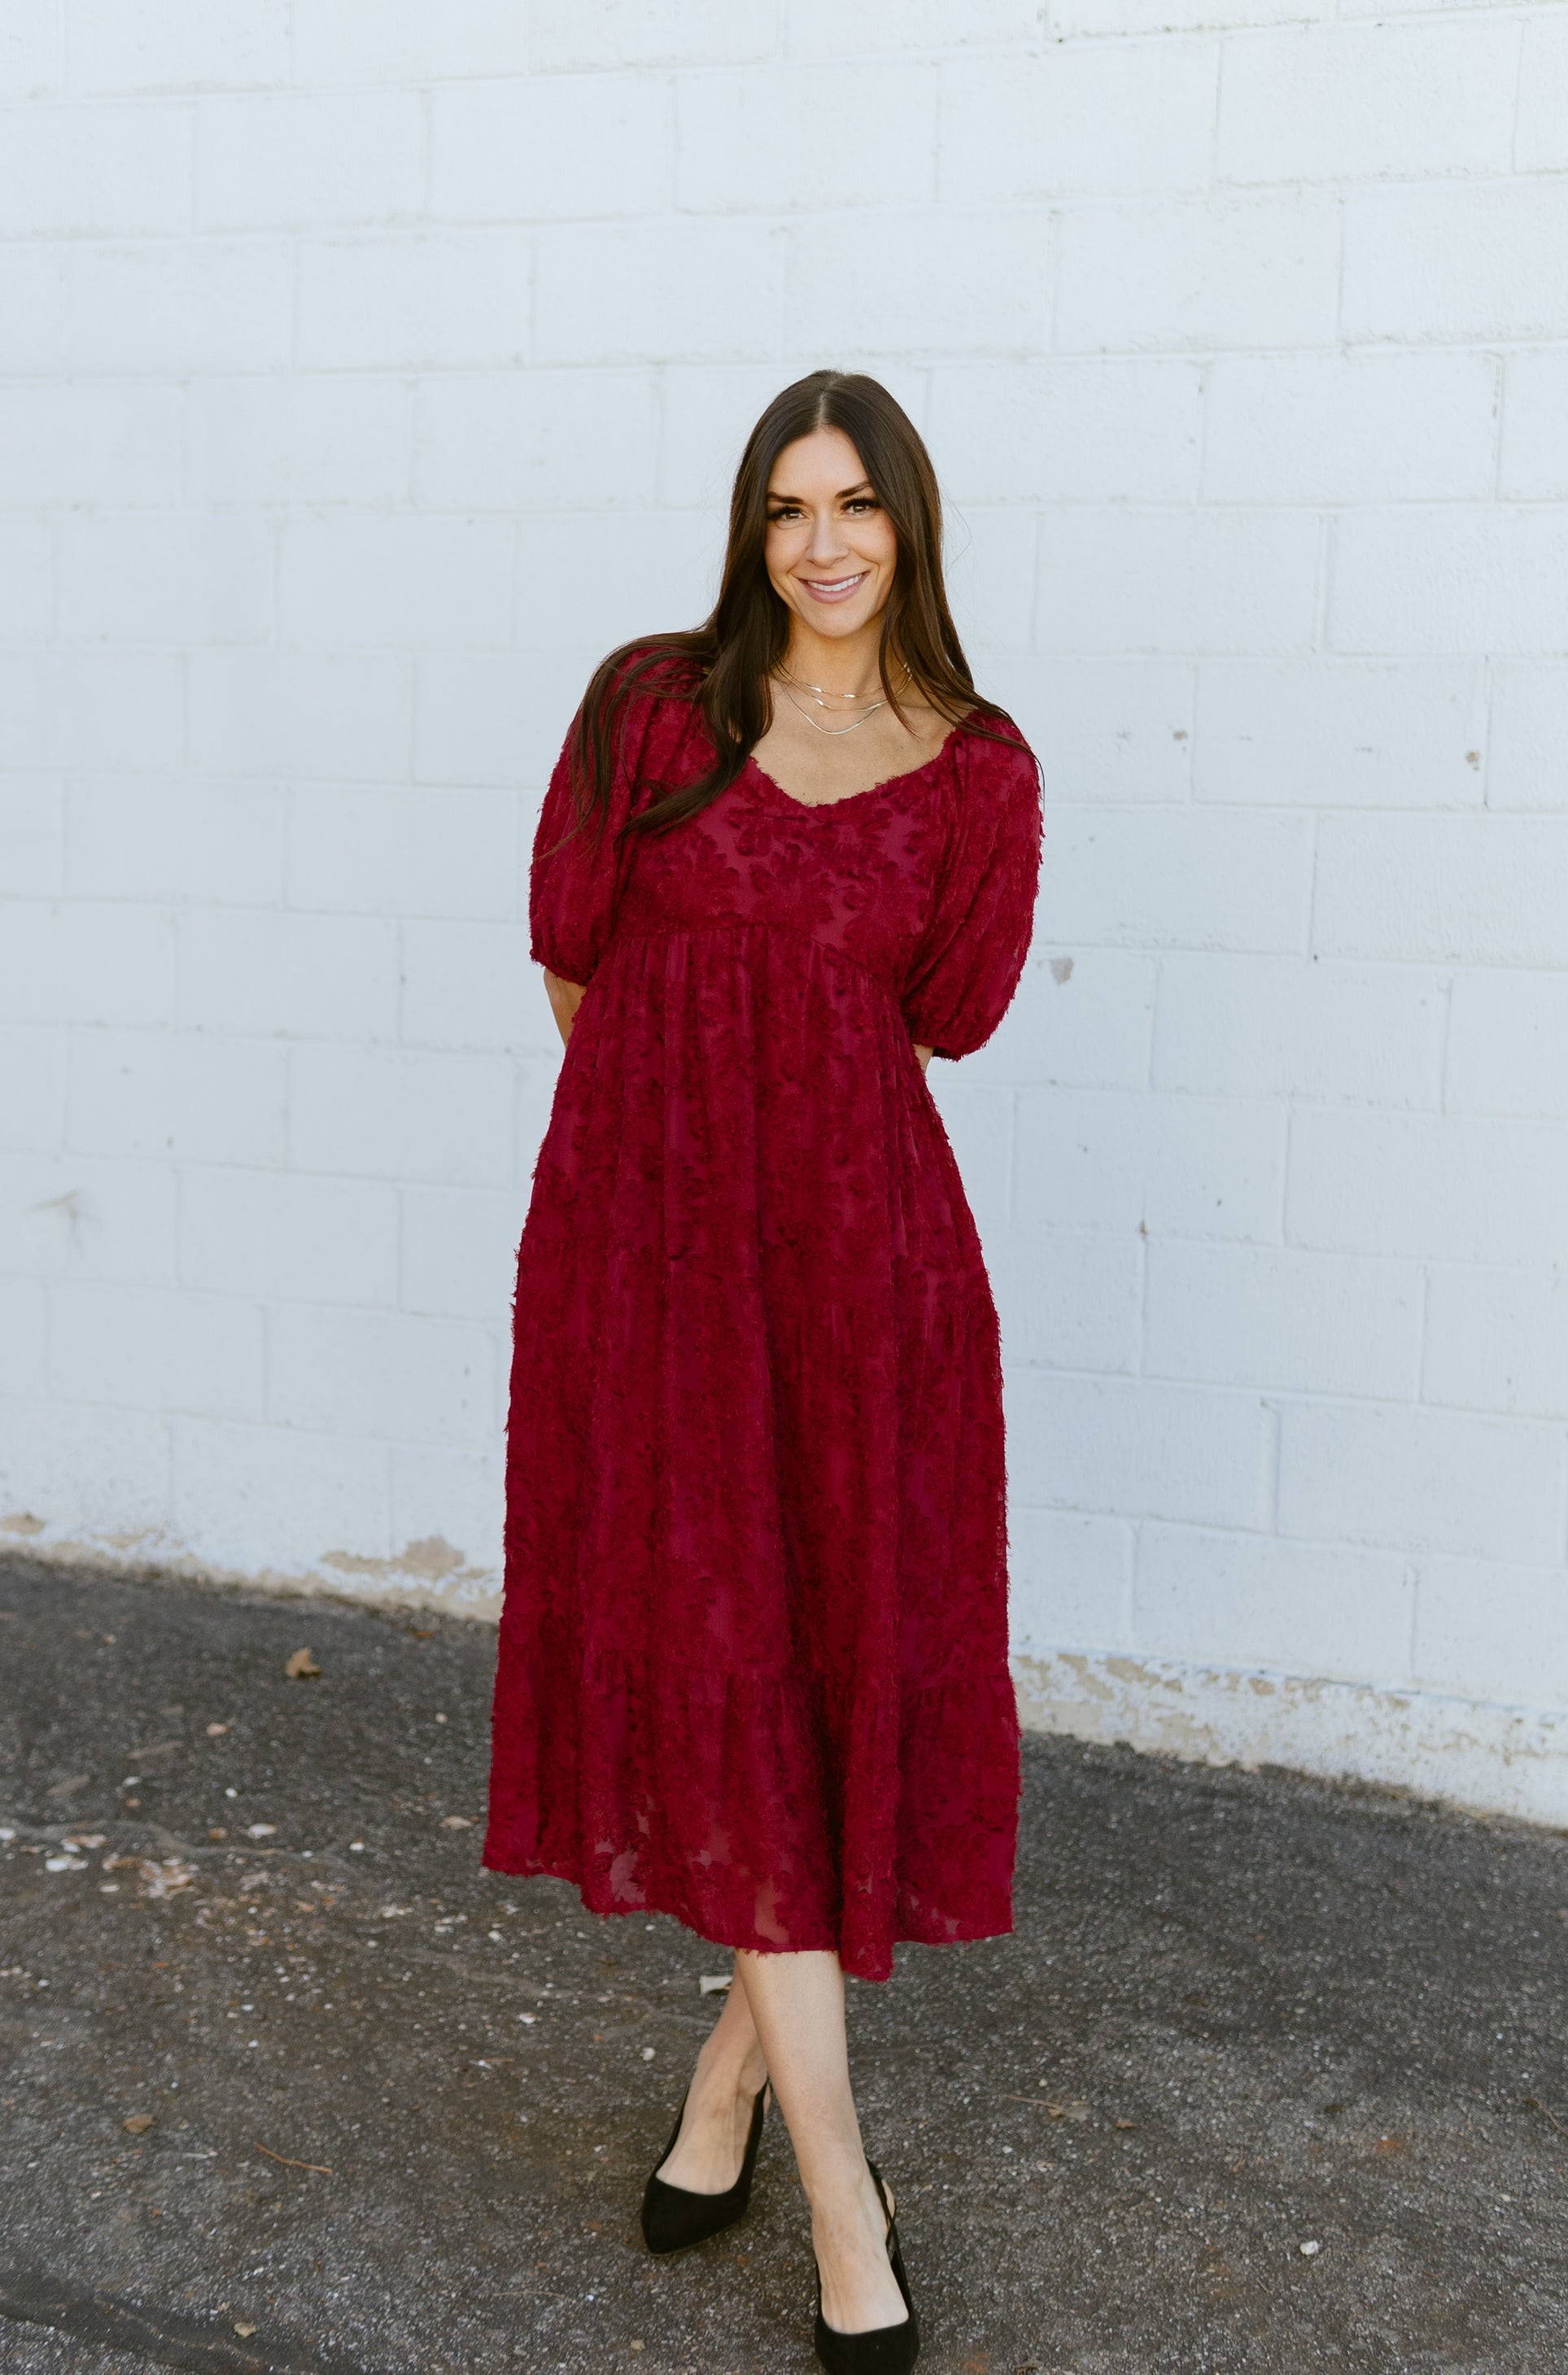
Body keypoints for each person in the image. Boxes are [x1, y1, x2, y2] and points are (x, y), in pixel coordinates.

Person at [483, 369, 1043, 2372]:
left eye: (857, 504)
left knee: (813, 1696)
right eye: (789, 505)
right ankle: (839, 2196)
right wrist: (677, 1179)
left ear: (909, 526)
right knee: (733, 1685)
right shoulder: (652, 702)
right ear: (752, 527)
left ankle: (724, 2096)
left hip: (871, 1287)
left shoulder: (978, 769)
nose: (822, 541)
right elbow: (574, 953)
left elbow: (952, 1020)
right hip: (650, 1280)